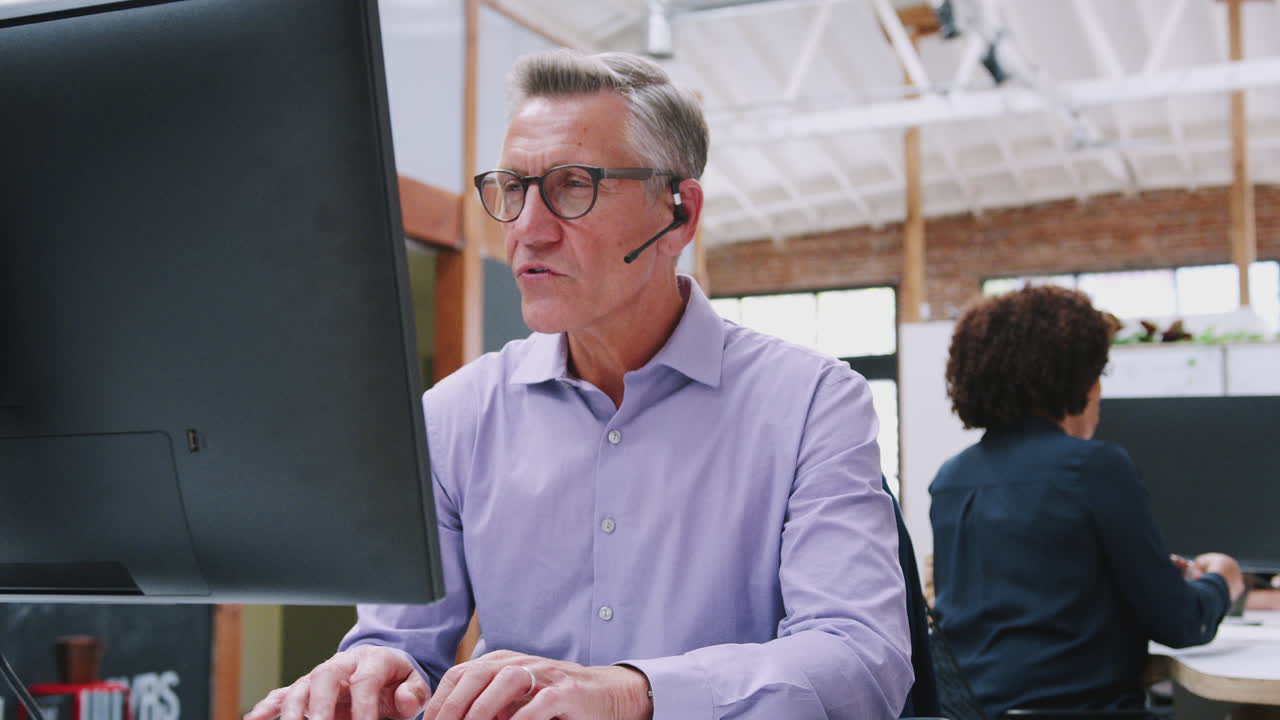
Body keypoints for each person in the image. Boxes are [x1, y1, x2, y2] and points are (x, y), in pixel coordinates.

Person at [245, 49, 912, 720]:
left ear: (678, 214)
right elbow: (403, 646)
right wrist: (375, 674)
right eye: (512, 189)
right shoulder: (453, 416)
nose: (527, 231)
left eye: (572, 186)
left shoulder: (812, 404)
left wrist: (634, 692)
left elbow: (862, 661)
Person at [929, 285, 1245, 720]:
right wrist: (1222, 582)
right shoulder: (1092, 468)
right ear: (1077, 381)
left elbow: (1015, 613)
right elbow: (1180, 624)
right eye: (1099, 374)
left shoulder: (951, 479)